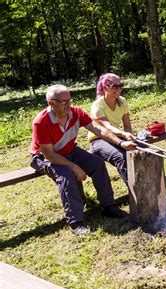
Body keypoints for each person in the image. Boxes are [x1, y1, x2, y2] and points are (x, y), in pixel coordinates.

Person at [29, 84, 136, 235]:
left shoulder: (76, 113)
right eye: (64, 102)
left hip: (70, 151)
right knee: (65, 174)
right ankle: (76, 221)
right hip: (43, 157)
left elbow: (99, 129)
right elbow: (49, 155)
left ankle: (109, 206)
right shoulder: (41, 122)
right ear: (51, 103)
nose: (69, 105)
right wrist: (75, 167)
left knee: (97, 164)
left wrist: (121, 142)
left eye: (70, 100)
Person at [88, 73, 135, 185]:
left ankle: (152, 188)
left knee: (140, 150)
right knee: (122, 157)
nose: (119, 89)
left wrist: (129, 137)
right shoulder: (97, 106)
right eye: (115, 86)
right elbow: (107, 126)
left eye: (120, 85)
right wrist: (123, 136)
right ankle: (137, 194)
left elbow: (127, 126)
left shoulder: (122, 101)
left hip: (116, 136)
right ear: (105, 88)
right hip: (98, 139)